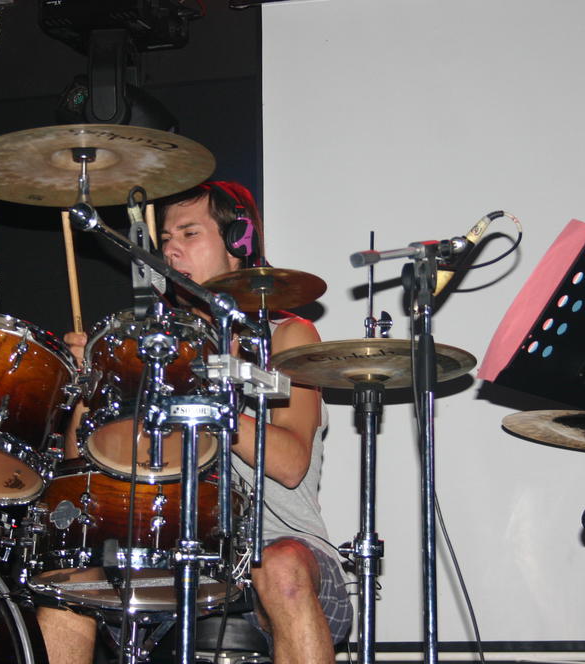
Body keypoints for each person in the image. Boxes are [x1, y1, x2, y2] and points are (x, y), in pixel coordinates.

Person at [38, 181, 351, 664]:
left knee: (281, 566)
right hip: (171, 547)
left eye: (189, 234)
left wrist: (207, 402)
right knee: (65, 586)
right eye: (165, 239)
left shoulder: (288, 335)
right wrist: (88, 386)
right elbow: (80, 462)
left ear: (239, 243)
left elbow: (291, 464)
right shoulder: (148, 348)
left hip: (279, 547)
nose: (170, 250)